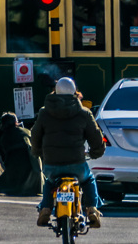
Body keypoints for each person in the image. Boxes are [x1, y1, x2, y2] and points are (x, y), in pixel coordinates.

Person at [32, 78, 105, 227]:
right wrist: (96, 152)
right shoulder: (84, 113)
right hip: (76, 164)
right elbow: (96, 137)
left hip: (52, 164)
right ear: (74, 92)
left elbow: (35, 136)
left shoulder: (44, 113)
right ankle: (92, 208)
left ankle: (46, 208)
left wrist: (38, 152)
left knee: (49, 182)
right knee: (89, 179)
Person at [0, 112, 43, 197]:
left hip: (13, 168)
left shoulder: (4, 137)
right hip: (33, 166)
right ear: (16, 122)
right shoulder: (26, 132)